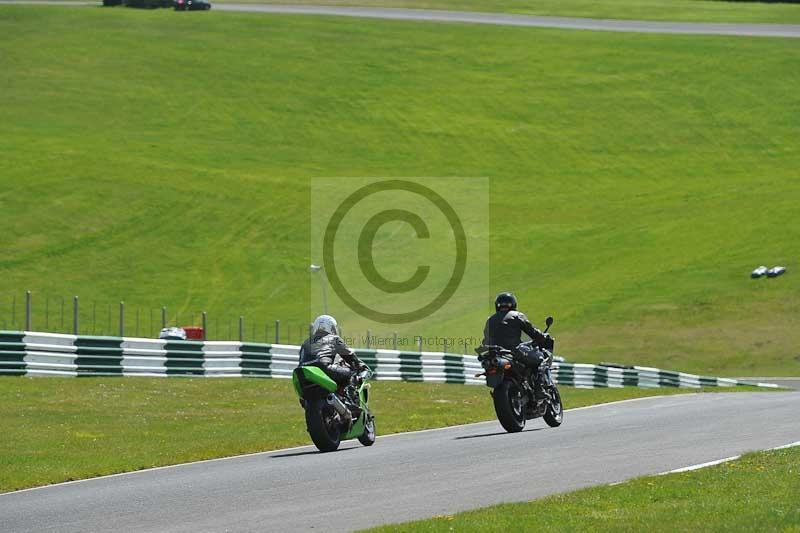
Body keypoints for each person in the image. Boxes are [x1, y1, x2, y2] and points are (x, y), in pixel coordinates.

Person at [481, 292, 553, 401]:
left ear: (497, 306)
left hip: (495, 354)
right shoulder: (517, 315)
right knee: (539, 360)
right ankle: (539, 391)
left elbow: (485, 339)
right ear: (514, 304)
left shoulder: (489, 320)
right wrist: (542, 337)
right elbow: (532, 331)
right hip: (514, 352)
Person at [299, 315, 365, 401]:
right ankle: (350, 400)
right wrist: (359, 366)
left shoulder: (305, 342)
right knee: (351, 373)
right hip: (324, 368)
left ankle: (305, 401)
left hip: (302, 373)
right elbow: (349, 356)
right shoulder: (334, 338)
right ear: (330, 327)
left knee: (304, 397)